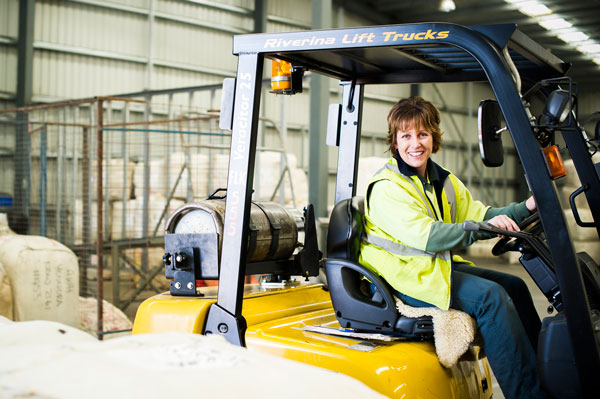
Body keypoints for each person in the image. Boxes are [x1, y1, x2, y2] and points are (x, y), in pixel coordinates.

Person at [359, 96, 545, 399]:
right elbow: (430, 237)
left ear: (434, 137)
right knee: (491, 298)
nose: (415, 144)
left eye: (422, 134)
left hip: (431, 268)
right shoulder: (387, 188)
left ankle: (545, 373)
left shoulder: (441, 180)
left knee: (515, 286)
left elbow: (479, 215)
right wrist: (480, 229)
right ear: (394, 142)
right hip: (402, 277)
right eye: (405, 136)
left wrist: (527, 207)